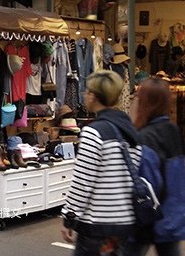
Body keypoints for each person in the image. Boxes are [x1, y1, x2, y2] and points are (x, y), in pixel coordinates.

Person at [61, 70, 142, 256]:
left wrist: (69, 217)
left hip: (96, 224)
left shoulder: (93, 132)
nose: (84, 95)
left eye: (87, 91)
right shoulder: (130, 131)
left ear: (94, 96)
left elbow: (83, 182)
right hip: (125, 223)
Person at [123, 78, 183, 256]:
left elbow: (148, 185)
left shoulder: (145, 137)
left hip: (149, 220)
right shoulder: (173, 130)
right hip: (173, 216)